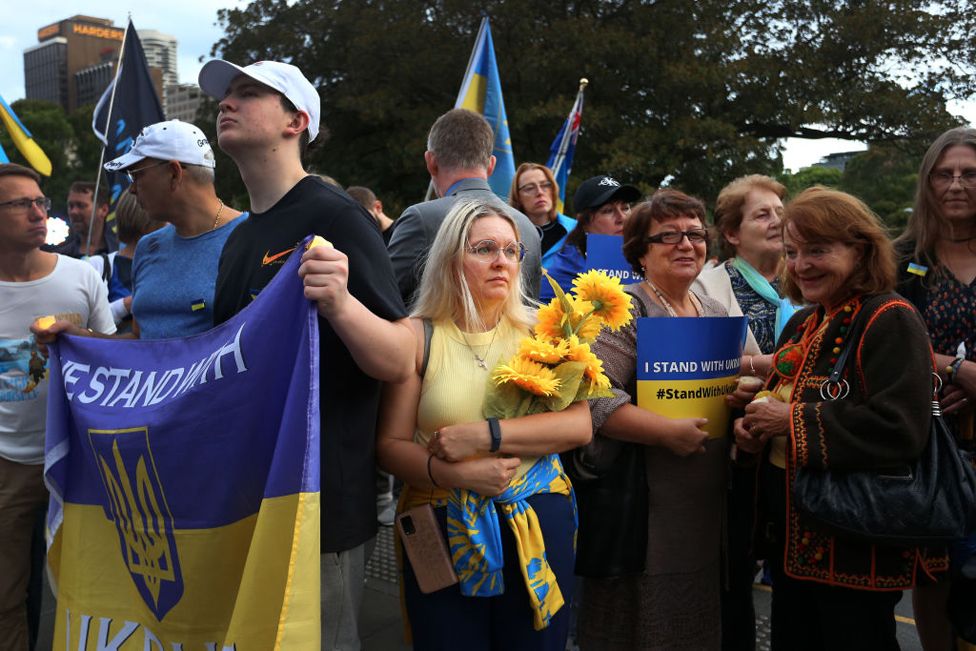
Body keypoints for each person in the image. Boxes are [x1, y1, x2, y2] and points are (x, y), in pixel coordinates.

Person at [198, 57, 414, 651]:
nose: (226, 103)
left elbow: (400, 359)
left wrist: (342, 303)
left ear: (297, 121)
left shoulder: (334, 214)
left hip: (321, 505)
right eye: (226, 95)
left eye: (247, 93)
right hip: (252, 494)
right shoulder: (240, 237)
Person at [736, 187, 947, 649]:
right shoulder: (805, 322)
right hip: (794, 539)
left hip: (854, 543)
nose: (801, 265)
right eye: (792, 252)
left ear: (861, 250)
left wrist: (787, 421)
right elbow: (782, 402)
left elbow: (901, 430)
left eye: (818, 250)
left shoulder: (890, 317)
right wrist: (752, 428)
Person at [376, 197, 590, 649]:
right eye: (484, 249)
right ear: (452, 258)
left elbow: (579, 426)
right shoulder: (417, 334)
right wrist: (456, 473)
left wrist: (488, 435)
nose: (501, 262)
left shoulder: (544, 330)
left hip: (536, 513)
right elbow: (391, 445)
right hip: (439, 519)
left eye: (512, 251)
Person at [580, 189, 727, 650]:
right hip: (641, 505)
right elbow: (592, 396)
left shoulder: (715, 311)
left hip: (702, 503)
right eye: (669, 236)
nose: (686, 244)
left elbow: (721, 386)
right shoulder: (623, 311)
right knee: (635, 626)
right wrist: (665, 432)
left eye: (695, 234)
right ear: (640, 252)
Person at [0, 163, 115, 650]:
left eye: (40, 201)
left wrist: (80, 338)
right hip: (7, 465)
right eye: (20, 203)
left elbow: (117, 358)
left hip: (83, 459)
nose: (37, 212)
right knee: (6, 595)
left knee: (95, 586)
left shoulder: (81, 276)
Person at [691, 174, 791, 651]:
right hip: (736, 448)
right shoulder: (708, 285)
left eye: (779, 211)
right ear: (731, 233)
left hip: (797, 451)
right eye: (762, 214)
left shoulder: (806, 275)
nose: (777, 221)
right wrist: (761, 365)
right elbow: (698, 361)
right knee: (735, 575)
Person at [894, 126, 976, 650]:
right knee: (933, 570)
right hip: (929, 441)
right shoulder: (900, 258)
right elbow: (883, 336)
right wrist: (957, 371)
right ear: (927, 183)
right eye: (943, 174)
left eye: (970, 174)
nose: (956, 185)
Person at [101, 119, 245, 340]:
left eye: (136, 174)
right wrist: (77, 340)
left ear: (174, 173)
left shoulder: (250, 238)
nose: (131, 189)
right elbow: (140, 341)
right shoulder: (148, 246)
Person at [387, 108, 542, 307]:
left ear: (431, 162)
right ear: (491, 165)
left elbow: (386, 300)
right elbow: (529, 309)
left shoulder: (420, 219)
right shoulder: (527, 226)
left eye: (511, 252)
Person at [540, 175, 641, 301]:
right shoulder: (564, 274)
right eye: (608, 211)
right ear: (584, 223)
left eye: (625, 208)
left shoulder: (646, 257)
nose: (622, 218)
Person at [508, 163, 576, 268]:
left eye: (545, 185)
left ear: (553, 190)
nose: (540, 192)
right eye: (529, 188)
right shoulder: (507, 233)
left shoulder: (577, 230)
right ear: (518, 197)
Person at [47, 181, 111, 257]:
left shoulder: (117, 254)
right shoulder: (60, 258)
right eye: (70, 206)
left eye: (81, 205)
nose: (73, 212)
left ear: (104, 210)